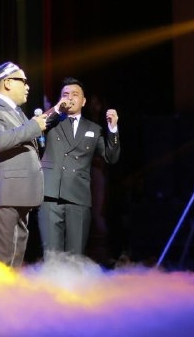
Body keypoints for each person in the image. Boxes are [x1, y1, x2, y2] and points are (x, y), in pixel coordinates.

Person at [0, 61, 48, 267]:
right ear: (7, 83)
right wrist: (33, 127)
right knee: (0, 264)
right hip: (2, 194)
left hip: (18, 194)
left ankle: (11, 290)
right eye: (23, 81)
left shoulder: (16, 112)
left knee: (14, 262)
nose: (28, 87)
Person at [38, 77, 121, 257]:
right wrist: (56, 109)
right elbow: (36, 127)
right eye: (65, 94)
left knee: (75, 256)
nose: (69, 98)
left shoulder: (94, 129)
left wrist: (113, 129)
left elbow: (111, 157)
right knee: (51, 255)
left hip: (79, 197)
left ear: (83, 101)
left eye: (75, 94)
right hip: (51, 196)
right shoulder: (50, 122)